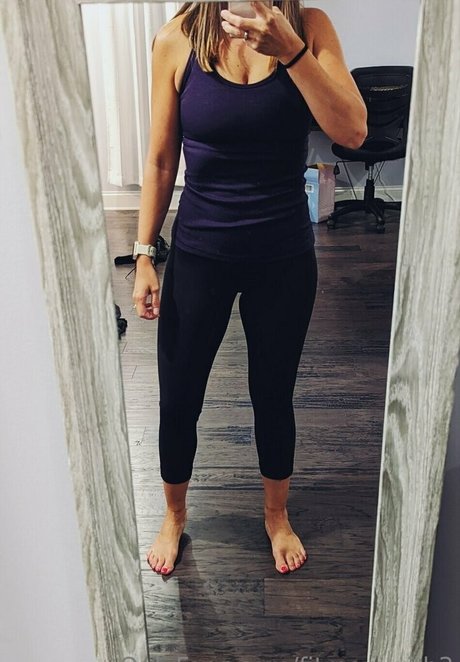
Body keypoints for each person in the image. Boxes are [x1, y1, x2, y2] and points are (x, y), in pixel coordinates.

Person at [132, 0, 367, 576]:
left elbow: (353, 132)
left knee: (273, 394)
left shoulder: (309, 28)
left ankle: (276, 516)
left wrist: (292, 53)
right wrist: (143, 253)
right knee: (179, 397)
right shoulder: (177, 38)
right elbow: (161, 161)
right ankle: (173, 514)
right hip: (199, 254)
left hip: (282, 256)